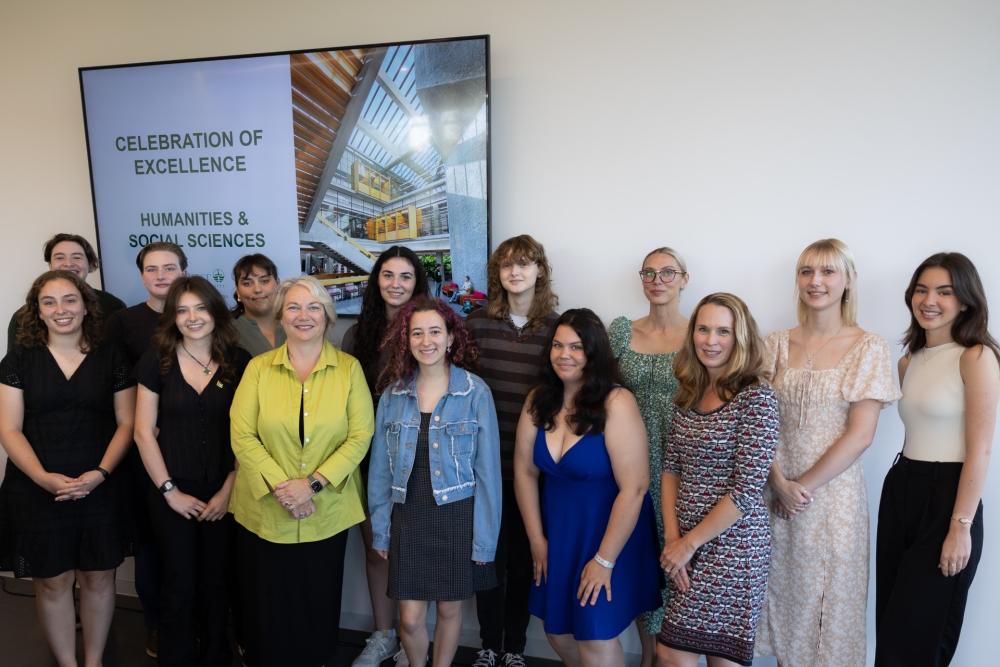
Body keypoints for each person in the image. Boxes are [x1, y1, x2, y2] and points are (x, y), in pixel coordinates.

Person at [756, 239, 900, 667]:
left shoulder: (869, 347)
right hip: (774, 493)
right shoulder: (775, 343)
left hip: (832, 502)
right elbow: (756, 420)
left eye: (828, 272)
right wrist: (778, 482)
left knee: (827, 612)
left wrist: (800, 488)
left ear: (848, 281)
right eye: (806, 272)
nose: (815, 281)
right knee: (783, 604)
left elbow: (860, 436)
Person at [229, 276, 374, 667]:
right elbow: (241, 435)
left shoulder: (349, 369)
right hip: (264, 511)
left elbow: (361, 436)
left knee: (317, 599)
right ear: (281, 317)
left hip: (326, 512)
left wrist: (311, 485)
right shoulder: (258, 369)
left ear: (327, 317)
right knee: (266, 604)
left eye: (313, 307)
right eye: (293, 307)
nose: (303, 315)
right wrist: (284, 487)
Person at [0, 270, 135, 667]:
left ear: (85, 304)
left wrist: (101, 474)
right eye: (50, 302)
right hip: (37, 488)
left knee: (98, 576)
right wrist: (42, 478)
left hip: (101, 484)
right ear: (37, 311)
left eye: (70, 300)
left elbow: (127, 423)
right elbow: (8, 428)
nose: (61, 310)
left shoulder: (111, 355)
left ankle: (93, 661)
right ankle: (67, 663)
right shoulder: (18, 359)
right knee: (53, 581)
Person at [514, 308, 660, 667]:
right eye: (558, 345)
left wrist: (604, 560)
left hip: (610, 535)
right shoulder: (539, 399)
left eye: (576, 347)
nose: (565, 354)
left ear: (594, 353)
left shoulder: (617, 402)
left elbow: (636, 488)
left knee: (594, 636)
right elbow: (524, 472)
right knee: (557, 632)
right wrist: (536, 540)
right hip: (560, 534)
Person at [875, 252, 1000, 666]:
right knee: (891, 630)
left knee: (920, 639)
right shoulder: (907, 361)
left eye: (944, 292)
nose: (929, 300)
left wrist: (960, 526)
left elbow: (980, 449)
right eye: (922, 290)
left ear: (965, 300)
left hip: (948, 497)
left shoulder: (976, 356)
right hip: (901, 489)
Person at [368, 296, 502, 667]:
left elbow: (488, 474)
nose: (426, 341)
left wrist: (485, 542)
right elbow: (380, 470)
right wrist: (381, 529)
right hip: (408, 517)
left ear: (450, 339)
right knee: (409, 617)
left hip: (457, 516)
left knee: (448, 611)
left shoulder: (475, 393)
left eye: (434, 332)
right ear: (406, 340)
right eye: (416, 333)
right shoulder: (393, 395)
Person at [133, 277, 251, 667]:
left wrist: (229, 488)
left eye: (200, 308)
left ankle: (218, 656)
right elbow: (142, 432)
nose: (192, 318)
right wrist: (170, 491)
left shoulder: (240, 361)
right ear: (172, 318)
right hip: (170, 491)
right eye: (182, 310)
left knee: (219, 581)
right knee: (178, 582)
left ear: (215, 312)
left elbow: (249, 433)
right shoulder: (156, 360)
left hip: (225, 489)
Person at [657, 293, 778, 667]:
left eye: (723, 331)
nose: (711, 340)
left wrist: (688, 544)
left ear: (740, 338)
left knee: (716, 658)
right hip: (687, 543)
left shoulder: (757, 398)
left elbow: (747, 489)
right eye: (704, 329)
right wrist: (674, 538)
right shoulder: (688, 393)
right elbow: (670, 469)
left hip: (734, 549)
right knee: (674, 651)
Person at [465, 234, 559, 667]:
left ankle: (515, 648)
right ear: (496, 274)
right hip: (482, 465)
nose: (515, 272)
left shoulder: (557, 329)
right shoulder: (476, 323)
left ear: (540, 270)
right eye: (506, 265)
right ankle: (487, 644)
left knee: (523, 562)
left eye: (524, 263)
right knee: (487, 558)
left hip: (534, 469)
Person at [341, 245, 430, 667]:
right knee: (376, 548)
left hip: (420, 459)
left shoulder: (432, 331)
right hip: (367, 456)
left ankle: (415, 642)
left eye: (406, 277)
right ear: (377, 281)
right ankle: (383, 634)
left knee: (415, 549)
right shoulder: (357, 335)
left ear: (418, 283)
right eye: (388, 275)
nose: (396, 284)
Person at [103, 240, 188, 657]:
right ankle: (157, 624)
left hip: (198, 447)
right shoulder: (122, 322)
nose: (161, 276)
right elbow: (115, 384)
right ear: (141, 276)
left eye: (169, 268)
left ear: (183, 272)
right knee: (153, 543)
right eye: (152, 269)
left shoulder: (202, 315)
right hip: (146, 447)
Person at [608, 246, 688, 667]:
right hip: (630, 468)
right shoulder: (621, 331)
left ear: (684, 280)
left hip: (683, 468)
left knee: (677, 561)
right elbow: (599, 390)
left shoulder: (701, 334)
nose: (657, 280)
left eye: (668, 273)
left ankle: (673, 655)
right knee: (641, 562)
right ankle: (647, 656)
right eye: (649, 273)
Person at [7, 233, 125, 352]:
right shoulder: (23, 318)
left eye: (77, 257)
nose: (68, 264)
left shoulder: (114, 306)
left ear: (89, 264)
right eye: (59, 257)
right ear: (50, 265)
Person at [231, 253, 283, 355]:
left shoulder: (296, 322)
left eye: (264, 281)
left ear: (277, 284)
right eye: (247, 283)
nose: (257, 289)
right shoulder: (227, 332)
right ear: (238, 291)